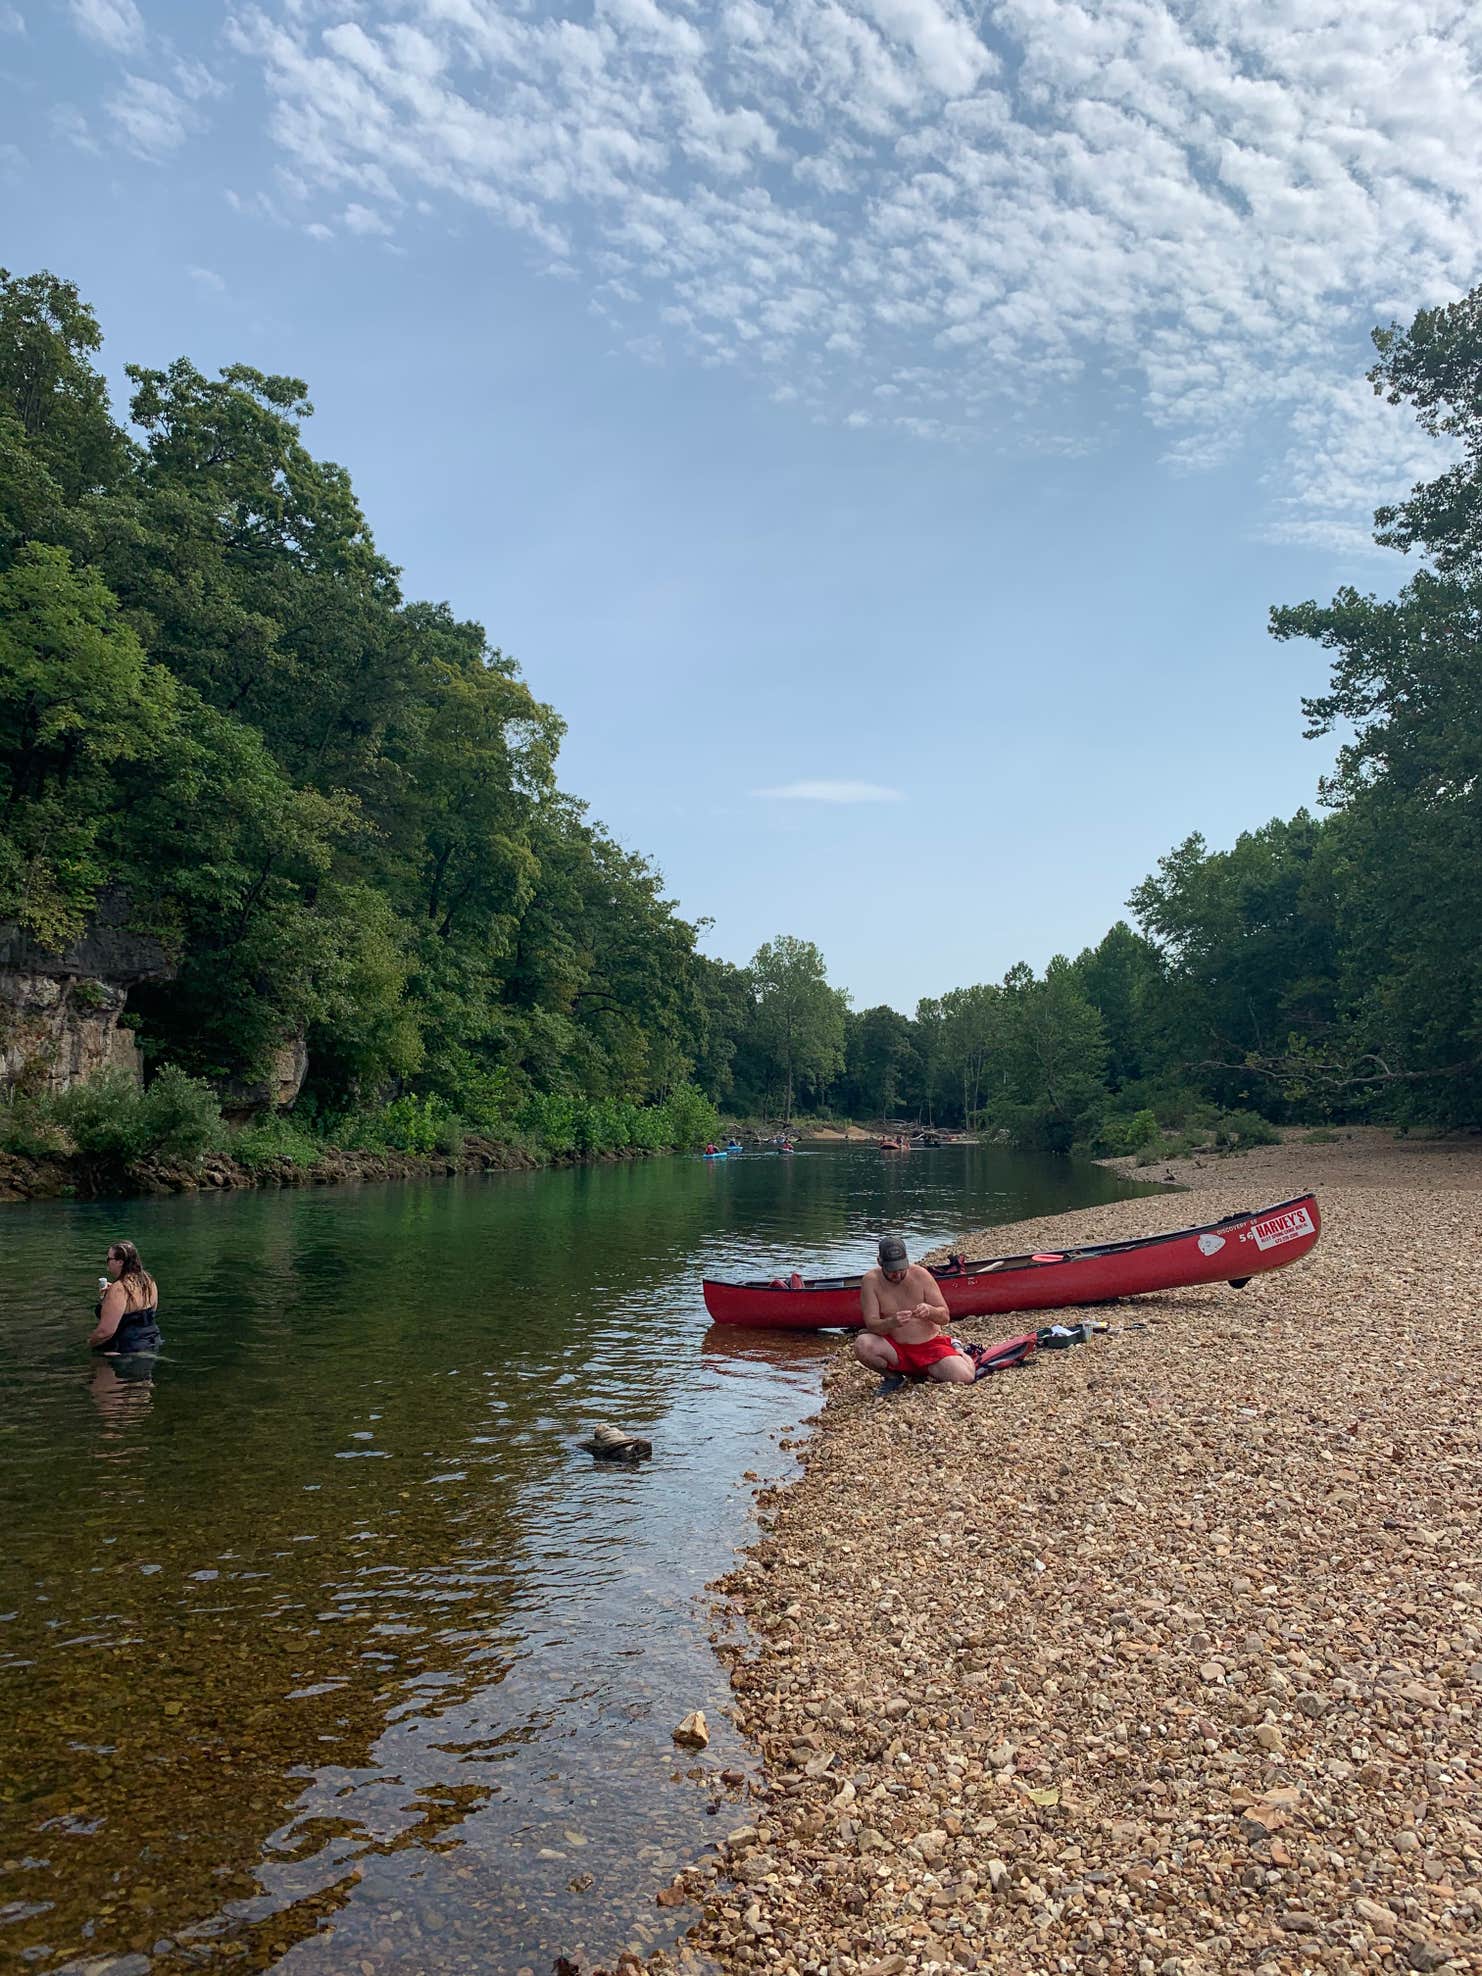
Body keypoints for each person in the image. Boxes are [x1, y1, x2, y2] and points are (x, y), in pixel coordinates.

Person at [853, 1235, 974, 1385]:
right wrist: (892, 1322)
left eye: (901, 1269)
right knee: (862, 1345)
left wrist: (930, 1311)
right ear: (880, 1262)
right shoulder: (871, 1281)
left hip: (929, 1347)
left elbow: (945, 1317)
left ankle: (958, 1350)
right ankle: (893, 1378)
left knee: (966, 1377)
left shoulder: (921, 1275)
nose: (897, 1275)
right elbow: (872, 1325)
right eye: (892, 1270)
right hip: (896, 1349)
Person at [89, 1240, 163, 1356]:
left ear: (120, 1262)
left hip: (124, 1350)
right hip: (152, 1342)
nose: (107, 1263)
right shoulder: (148, 1280)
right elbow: (151, 1312)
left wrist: (90, 1343)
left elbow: (105, 1332)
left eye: (109, 1259)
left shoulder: (119, 1289)